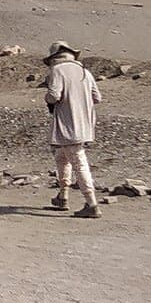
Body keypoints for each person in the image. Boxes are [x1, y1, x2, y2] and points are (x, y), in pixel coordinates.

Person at [43, 41, 103, 218]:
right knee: (62, 157)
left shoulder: (57, 71)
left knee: (78, 161)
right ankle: (63, 196)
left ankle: (91, 203)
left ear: (54, 58)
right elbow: (97, 98)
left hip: (68, 125)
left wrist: (47, 98)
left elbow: (54, 96)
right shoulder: (86, 72)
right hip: (84, 124)